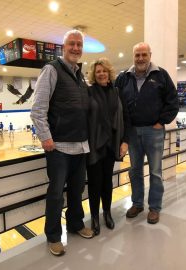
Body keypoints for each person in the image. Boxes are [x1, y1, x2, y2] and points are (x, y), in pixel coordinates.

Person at [30, 29, 94, 256]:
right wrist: (46, 138)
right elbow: (37, 109)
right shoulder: (51, 70)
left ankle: (76, 224)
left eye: (79, 44)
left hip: (80, 146)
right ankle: (54, 236)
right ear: (63, 47)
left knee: (77, 191)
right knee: (56, 194)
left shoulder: (79, 75)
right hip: (58, 147)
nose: (76, 48)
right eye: (71, 44)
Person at [115, 42, 179, 224]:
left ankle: (154, 207)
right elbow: (115, 101)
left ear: (150, 55)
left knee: (156, 172)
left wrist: (161, 122)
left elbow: (172, 101)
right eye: (137, 55)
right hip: (132, 132)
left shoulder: (161, 75)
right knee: (135, 170)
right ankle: (137, 203)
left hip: (154, 131)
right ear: (133, 56)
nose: (141, 58)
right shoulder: (124, 78)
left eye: (144, 54)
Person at [87, 58, 130, 235]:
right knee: (94, 184)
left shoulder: (117, 92)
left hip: (112, 144)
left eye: (104, 71)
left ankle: (107, 213)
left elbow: (126, 118)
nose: (102, 74)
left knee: (107, 182)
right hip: (95, 144)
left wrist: (125, 140)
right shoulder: (88, 92)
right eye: (98, 71)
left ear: (109, 72)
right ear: (94, 75)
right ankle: (95, 218)